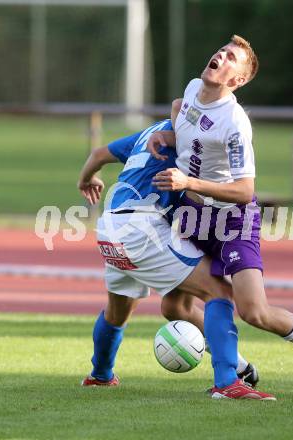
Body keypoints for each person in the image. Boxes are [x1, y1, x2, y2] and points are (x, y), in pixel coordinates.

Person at [148, 35, 293, 393]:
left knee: (253, 311)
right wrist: (167, 136)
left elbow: (245, 190)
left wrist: (189, 181)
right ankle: (239, 367)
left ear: (238, 80)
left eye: (231, 58)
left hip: (232, 221)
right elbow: (181, 111)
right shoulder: (194, 87)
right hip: (192, 215)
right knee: (173, 306)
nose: (221, 55)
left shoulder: (235, 122)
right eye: (221, 51)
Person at [77, 118, 274, 400]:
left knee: (117, 311)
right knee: (218, 290)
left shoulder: (153, 131)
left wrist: (86, 179)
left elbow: (98, 155)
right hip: (142, 226)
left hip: (110, 226)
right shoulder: (190, 135)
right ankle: (228, 382)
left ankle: (100, 376)